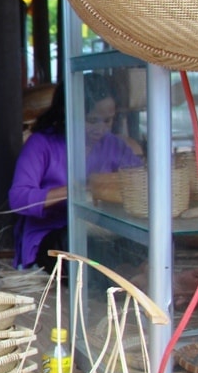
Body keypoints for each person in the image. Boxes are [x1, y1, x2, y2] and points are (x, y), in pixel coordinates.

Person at [9, 73, 143, 272]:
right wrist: (75, 191)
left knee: (138, 240)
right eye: (92, 120)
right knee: (73, 246)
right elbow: (18, 199)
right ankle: (129, 278)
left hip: (100, 232)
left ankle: (137, 275)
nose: (101, 129)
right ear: (68, 113)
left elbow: (138, 183)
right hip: (52, 235)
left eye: (108, 121)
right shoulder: (42, 144)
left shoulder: (113, 145)